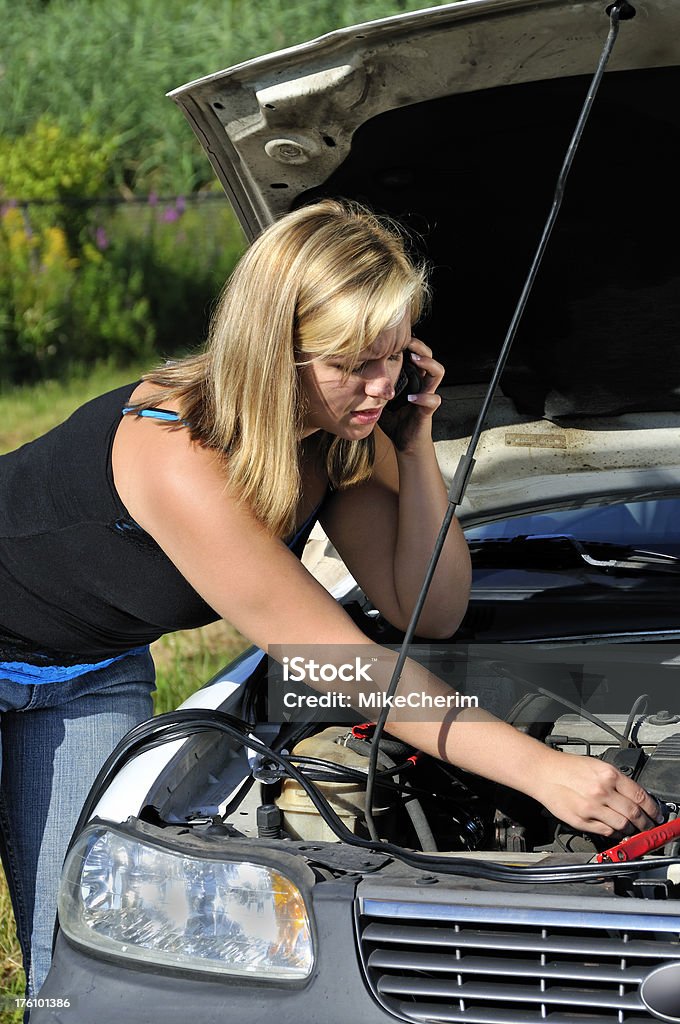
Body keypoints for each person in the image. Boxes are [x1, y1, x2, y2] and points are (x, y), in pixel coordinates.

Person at [0, 198, 662, 1000]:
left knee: (61, 961)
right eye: (354, 363)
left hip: (93, 666)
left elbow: (431, 609)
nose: (381, 384)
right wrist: (542, 773)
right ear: (274, 353)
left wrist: (415, 446)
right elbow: (339, 666)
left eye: (396, 356)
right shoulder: (178, 452)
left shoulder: (341, 437)